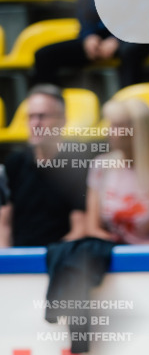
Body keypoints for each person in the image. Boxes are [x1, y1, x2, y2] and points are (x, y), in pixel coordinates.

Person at [85, 98, 149, 245]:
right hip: (110, 254)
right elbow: (92, 229)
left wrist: (131, 254)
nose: (108, 131)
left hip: (147, 257)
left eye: (117, 126)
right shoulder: (100, 166)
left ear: (137, 132)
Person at [0, 85, 87, 248]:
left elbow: (80, 229)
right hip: (19, 256)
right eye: (30, 117)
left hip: (59, 256)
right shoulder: (14, 163)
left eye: (42, 116)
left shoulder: (78, 166)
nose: (35, 123)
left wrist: (49, 259)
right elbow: (3, 225)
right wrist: (7, 258)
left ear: (62, 120)